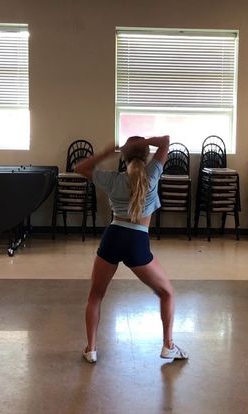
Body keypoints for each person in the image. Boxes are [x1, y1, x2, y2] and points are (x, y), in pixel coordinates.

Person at [74, 135, 188, 363]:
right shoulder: (153, 173)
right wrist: (143, 142)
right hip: (137, 241)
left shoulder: (113, 180)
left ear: (123, 156)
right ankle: (168, 346)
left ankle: (91, 349)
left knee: (95, 296)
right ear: (146, 154)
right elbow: (165, 141)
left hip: (113, 236)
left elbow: (80, 167)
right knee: (166, 293)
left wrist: (109, 151)